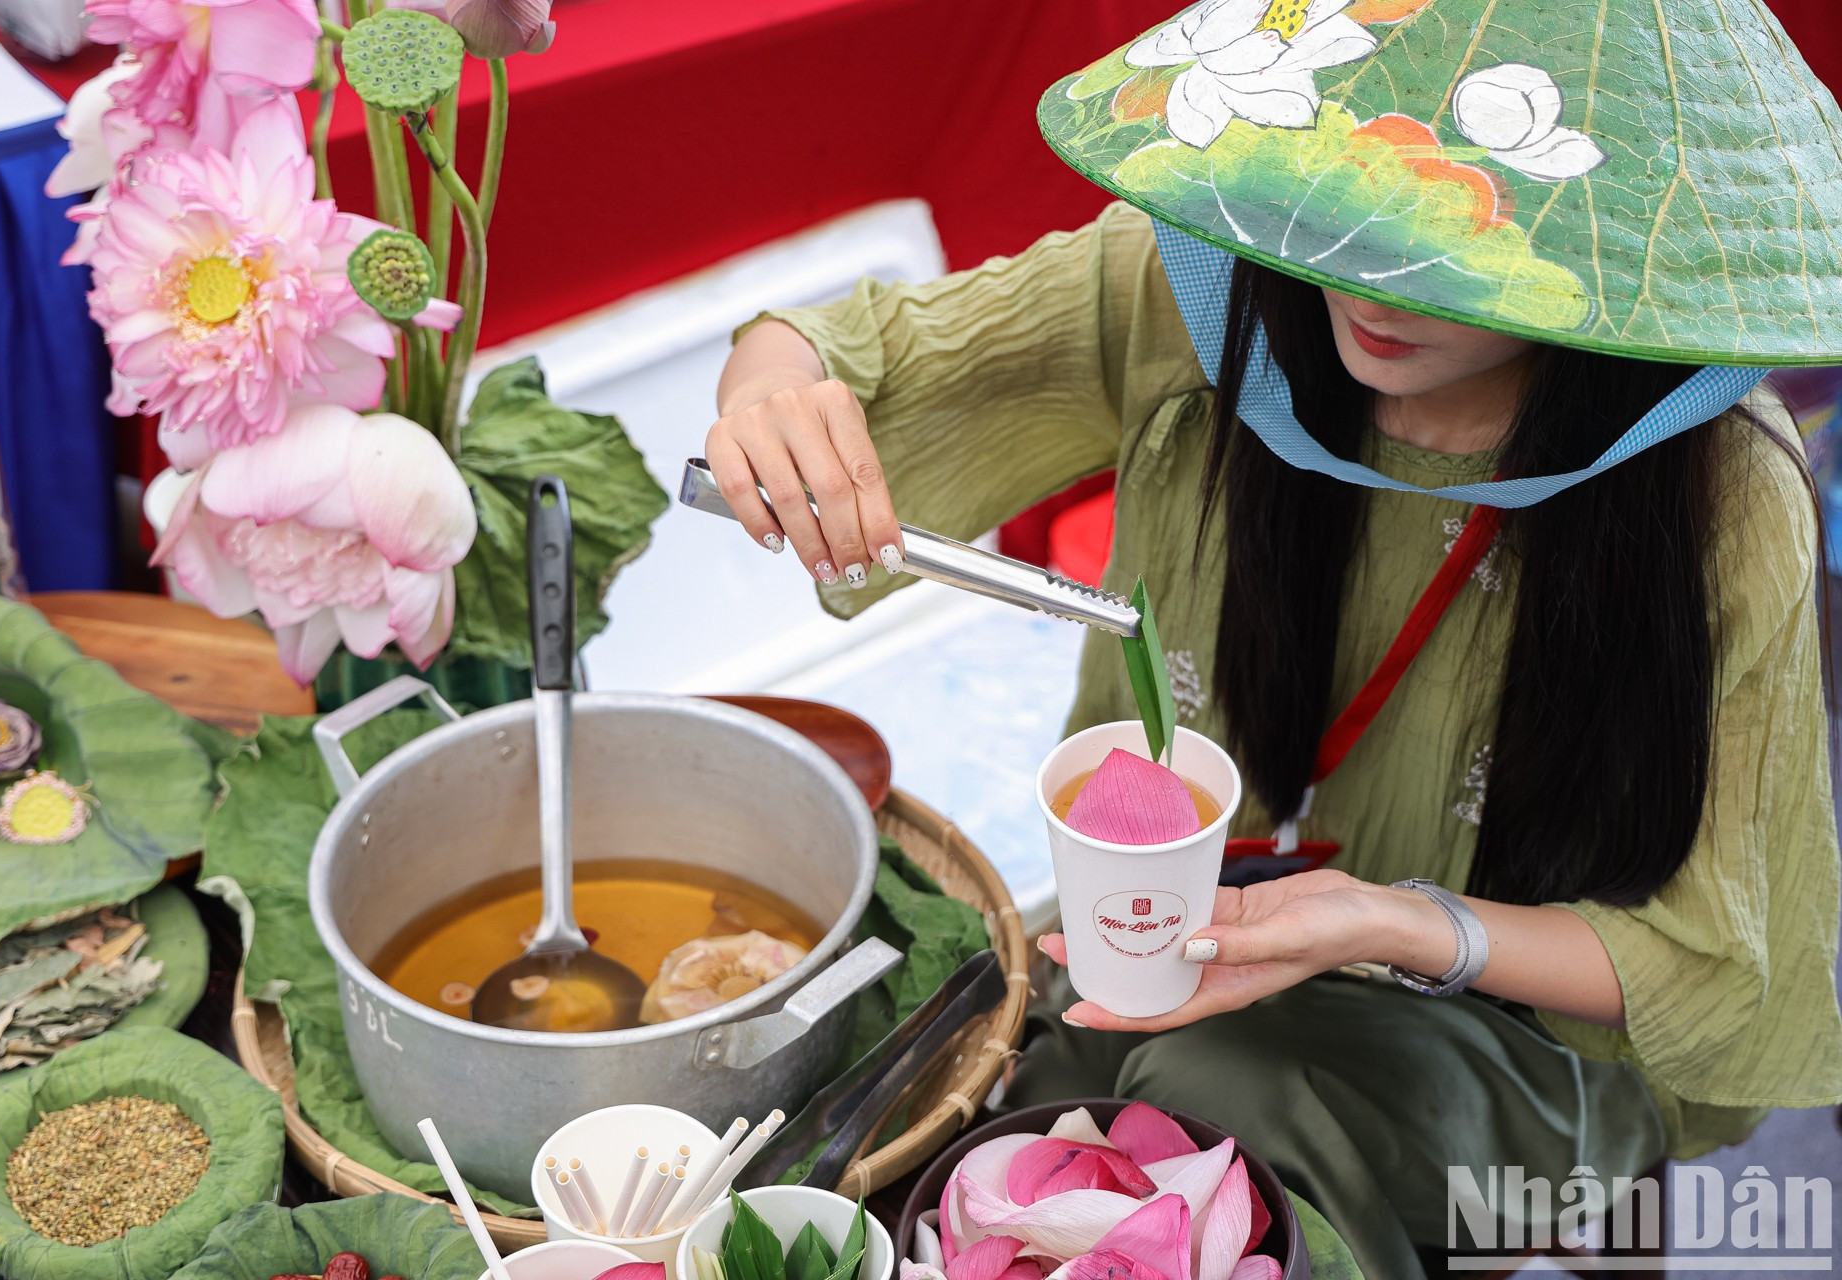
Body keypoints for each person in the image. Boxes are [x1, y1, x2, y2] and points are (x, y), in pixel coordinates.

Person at [705, 1, 1842, 1273]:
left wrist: (1393, 924)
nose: (1359, 279)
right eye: (1343, 199)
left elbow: (1718, 961)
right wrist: (770, 392)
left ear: (1609, 225)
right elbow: (852, 351)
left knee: (1206, 1111)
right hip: (1191, 918)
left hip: (1521, 1029)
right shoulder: (1206, 283)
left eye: (1445, 241)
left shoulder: (1718, 491)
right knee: (927, 1088)